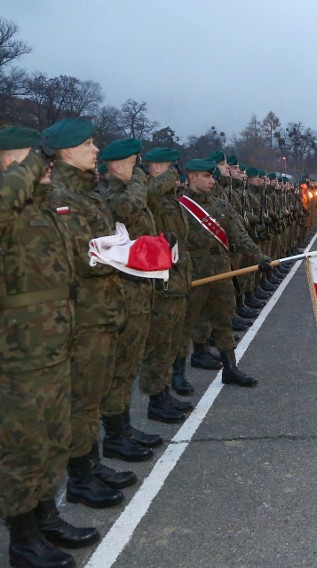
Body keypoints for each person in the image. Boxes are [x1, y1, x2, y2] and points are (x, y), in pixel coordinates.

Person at [1, 126, 100, 568]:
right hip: (18, 356)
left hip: (57, 345)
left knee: (53, 439)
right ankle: (22, 542)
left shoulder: (42, 209)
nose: (41, 165)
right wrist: (29, 169)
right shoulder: (9, 205)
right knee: (23, 448)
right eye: (28, 158)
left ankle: (45, 519)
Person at [44, 118, 136, 508]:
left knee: (93, 395)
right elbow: (81, 258)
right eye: (88, 144)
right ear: (66, 151)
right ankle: (80, 477)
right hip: (83, 315)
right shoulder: (60, 196)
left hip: (102, 310)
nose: (96, 150)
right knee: (82, 400)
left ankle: (91, 464)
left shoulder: (88, 193)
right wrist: (121, 252)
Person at [176, 158, 271, 388]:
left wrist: (260, 258)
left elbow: (239, 235)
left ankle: (230, 368)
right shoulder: (179, 207)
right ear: (192, 178)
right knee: (185, 324)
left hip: (221, 272)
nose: (211, 180)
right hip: (194, 274)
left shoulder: (221, 205)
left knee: (223, 319)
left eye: (211, 176)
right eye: (206, 176)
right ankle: (177, 375)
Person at [100, 138, 162, 459]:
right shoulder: (111, 194)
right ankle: (113, 435)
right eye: (133, 163)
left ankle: (123, 427)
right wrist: (139, 179)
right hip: (124, 293)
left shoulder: (126, 190)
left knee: (130, 364)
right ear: (116, 165)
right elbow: (127, 210)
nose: (138, 169)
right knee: (120, 366)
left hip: (140, 286)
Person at [137, 147, 195, 422]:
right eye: (171, 168)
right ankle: (155, 400)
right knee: (158, 344)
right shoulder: (149, 193)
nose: (176, 175)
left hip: (178, 279)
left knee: (170, 342)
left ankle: (163, 392)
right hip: (162, 283)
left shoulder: (170, 199)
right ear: (157, 168)